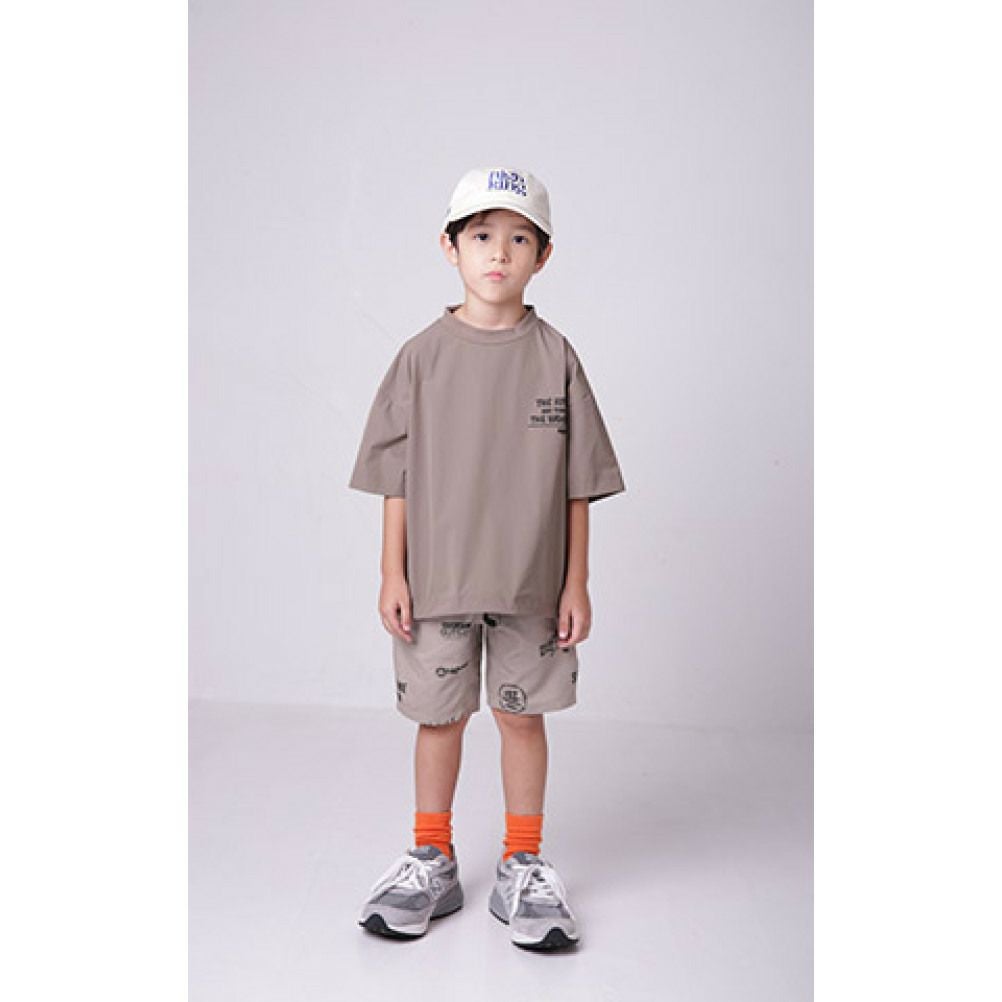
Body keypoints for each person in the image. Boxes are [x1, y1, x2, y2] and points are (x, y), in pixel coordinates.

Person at [348, 167, 626, 950]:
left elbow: (578, 482)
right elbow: (395, 476)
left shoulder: (556, 357)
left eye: (518, 238)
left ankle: (522, 864)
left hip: (531, 584)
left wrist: (576, 582)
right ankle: (430, 857)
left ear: (543, 255)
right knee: (439, 720)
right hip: (436, 581)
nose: (498, 253)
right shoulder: (420, 357)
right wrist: (392, 571)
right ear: (450, 248)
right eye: (480, 236)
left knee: (520, 716)